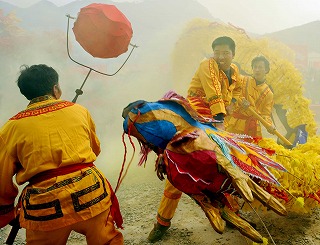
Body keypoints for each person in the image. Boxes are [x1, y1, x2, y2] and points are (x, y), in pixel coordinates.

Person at [0, 64, 123, 245]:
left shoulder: (10, 128)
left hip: (45, 207)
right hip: (91, 193)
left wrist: (7, 210)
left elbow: (2, 177)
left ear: (26, 93)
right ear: (55, 89)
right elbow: (95, 149)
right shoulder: (79, 110)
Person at [148, 36, 242, 243]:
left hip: (215, 122)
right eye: (217, 52)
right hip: (194, 119)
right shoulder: (207, 64)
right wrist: (219, 121)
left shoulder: (234, 72)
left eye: (226, 53)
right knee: (181, 168)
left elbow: (237, 90)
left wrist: (233, 103)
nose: (221, 56)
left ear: (233, 54)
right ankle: (162, 222)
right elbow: (213, 93)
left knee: (223, 166)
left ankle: (232, 213)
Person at [225, 55, 275, 137]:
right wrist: (239, 101)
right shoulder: (242, 80)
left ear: (266, 70)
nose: (257, 70)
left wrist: (269, 125)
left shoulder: (269, 93)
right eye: (255, 67)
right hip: (235, 123)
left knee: (252, 149)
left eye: (260, 67)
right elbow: (230, 92)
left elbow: (265, 114)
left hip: (253, 127)